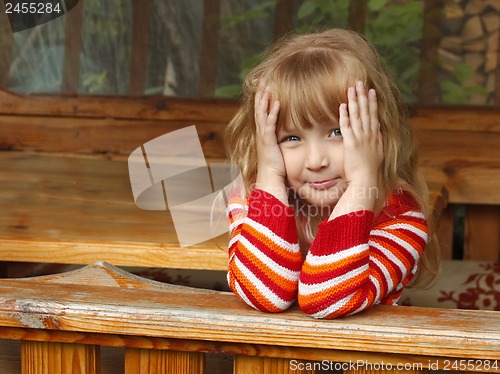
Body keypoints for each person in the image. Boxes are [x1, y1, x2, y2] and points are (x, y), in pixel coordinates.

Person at [224, 28, 439, 319]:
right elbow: (265, 294)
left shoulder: (399, 218)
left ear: (379, 134)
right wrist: (270, 175)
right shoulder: (252, 201)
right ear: (266, 143)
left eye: (337, 132)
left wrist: (363, 180)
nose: (315, 161)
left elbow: (325, 300)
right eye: (291, 138)